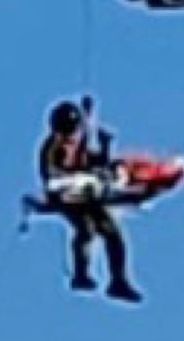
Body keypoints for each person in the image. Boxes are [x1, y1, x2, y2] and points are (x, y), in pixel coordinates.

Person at [38, 99, 142, 303]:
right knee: (86, 229)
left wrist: (105, 146)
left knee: (113, 234)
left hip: (88, 195)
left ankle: (118, 281)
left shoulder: (77, 145)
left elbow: (96, 163)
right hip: (67, 197)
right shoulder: (52, 148)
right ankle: (81, 273)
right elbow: (52, 178)